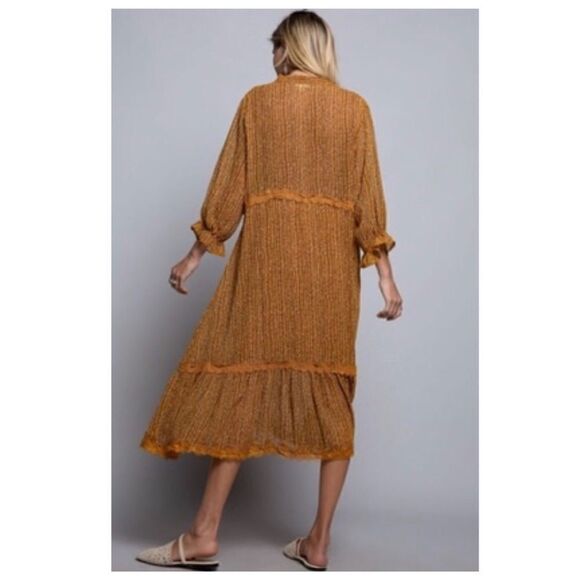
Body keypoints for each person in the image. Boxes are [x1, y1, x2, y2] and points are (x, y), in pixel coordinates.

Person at [136, 9, 403, 572]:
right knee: (333, 397)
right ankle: (319, 543)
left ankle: (203, 535)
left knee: (240, 386)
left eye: (274, 46)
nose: (272, 57)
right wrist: (385, 276)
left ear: (288, 48)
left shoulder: (257, 104)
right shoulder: (354, 110)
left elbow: (228, 188)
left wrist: (195, 254)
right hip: (330, 277)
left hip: (266, 269)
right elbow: (367, 199)